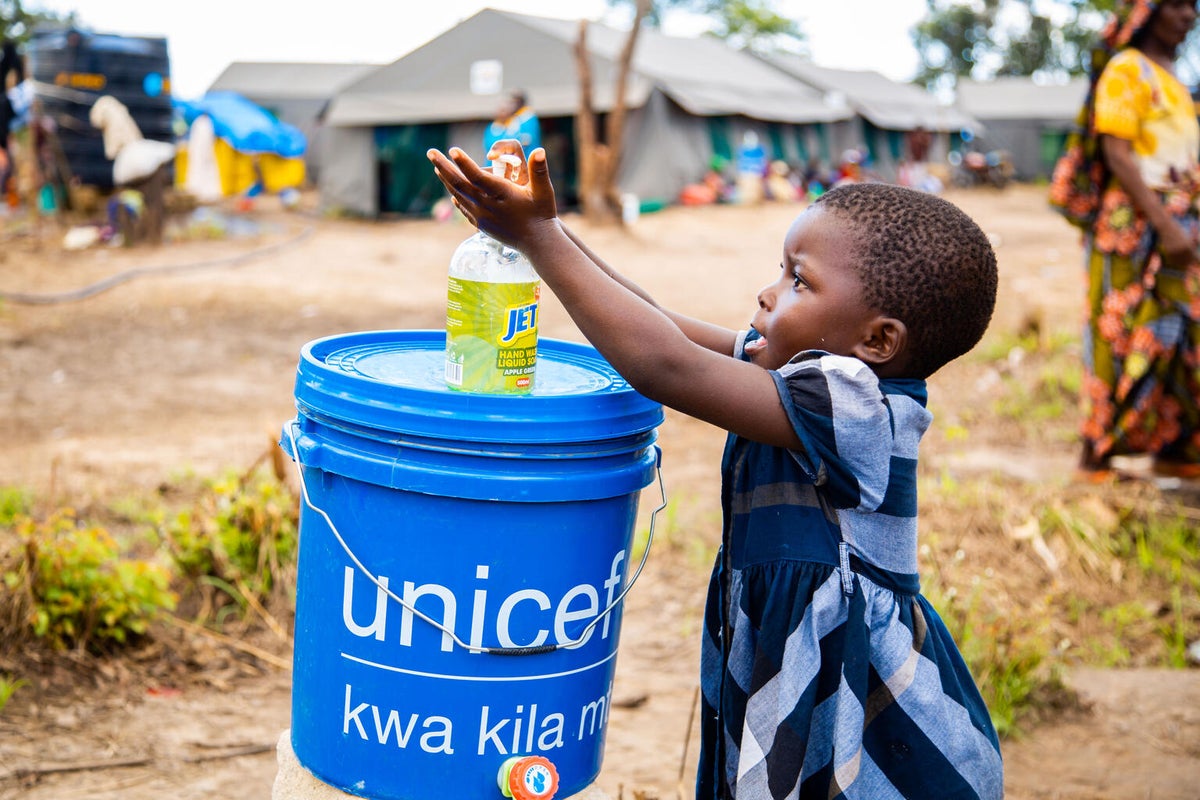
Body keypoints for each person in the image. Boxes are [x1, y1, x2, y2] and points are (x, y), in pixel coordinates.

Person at [428, 140, 1003, 799]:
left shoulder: (859, 406)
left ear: (875, 341)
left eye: (799, 281)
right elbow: (658, 327)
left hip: (851, 695)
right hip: (785, 657)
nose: (767, 292)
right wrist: (542, 233)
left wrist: (535, 236)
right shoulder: (789, 366)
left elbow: (665, 366)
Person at [1066, 0, 1200, 479]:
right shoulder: (1127, 69)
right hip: (1136, 227)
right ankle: (1094, 452)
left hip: (1178, 224)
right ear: (1148, 12)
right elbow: (1118, 154)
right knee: (1119, 332)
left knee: (1181, 336)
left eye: (1194, 6)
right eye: (1178, 6)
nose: (1190, 16)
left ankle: (1175, 446)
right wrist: (1164, 225)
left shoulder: (1175, 79)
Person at [482, 89, 541, 161]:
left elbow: (525, 140)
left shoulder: (526, 118)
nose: (511, 106)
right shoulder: (493, 128)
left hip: (528, 159)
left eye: (513, 103)